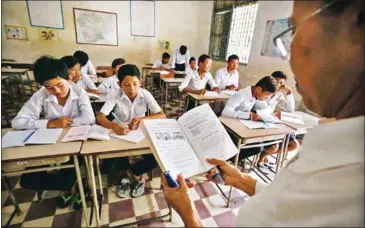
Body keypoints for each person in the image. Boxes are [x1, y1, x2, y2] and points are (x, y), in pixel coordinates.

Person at [160, 0, 364, 226]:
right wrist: (242, 180)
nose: (288, 54)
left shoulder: (348, 182)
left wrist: (188, 214)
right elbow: (287, 206)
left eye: (294, 31)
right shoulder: (339, 154)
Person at [12, 56, 95, 209]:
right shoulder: (40, 95)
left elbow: (89, 118)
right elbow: (18, 122)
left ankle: (77, 188)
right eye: (49, 87)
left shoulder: (79, 92)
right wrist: (51, 123)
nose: (56, 91)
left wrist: (64, 123)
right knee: (27, 181)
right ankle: (71, 186)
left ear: (68, 78)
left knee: (72, 169)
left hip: (75, 142)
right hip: (50, 142)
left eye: (59, 85)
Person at [96, 64, 166, 198]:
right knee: (109, 164)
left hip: (140, 134)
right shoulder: (115, 95)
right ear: (119, 84)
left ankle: (133, 173)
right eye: (126, 84)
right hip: (120, 133)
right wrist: (113, 125)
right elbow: (100, 117)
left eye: (135, 83)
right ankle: (131, 176)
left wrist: (143, 118)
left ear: (141, 82)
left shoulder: (145, 94)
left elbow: (162, 115)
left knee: (155, 157)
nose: (132, 88)